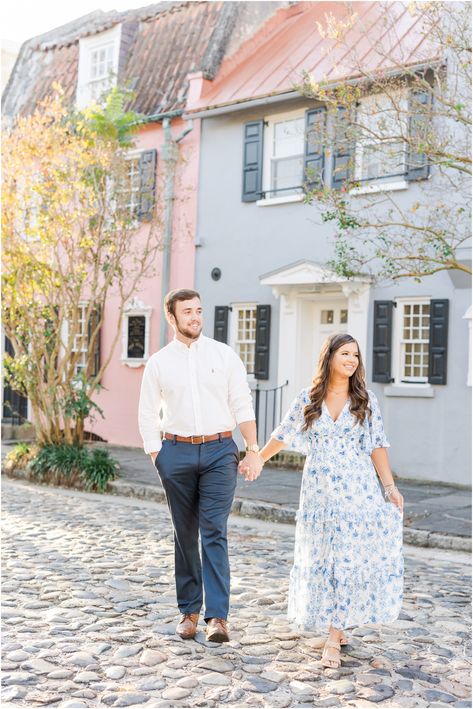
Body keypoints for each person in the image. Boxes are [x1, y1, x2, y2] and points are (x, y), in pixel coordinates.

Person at [243, 333, 404, 668]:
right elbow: (283, 435)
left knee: (346, 560)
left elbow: (378, 445)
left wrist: (389, 488)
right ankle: (338, 625)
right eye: (345, 353)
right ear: (329, 356)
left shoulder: (365, 399)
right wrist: (258, 458)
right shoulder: (310, 398)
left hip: (356, 492)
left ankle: (334, 637)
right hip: (318, 494)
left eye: (356, 356)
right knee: (325, 559)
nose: (351, 360)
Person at [138, 288, 263, 643]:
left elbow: (242, 404)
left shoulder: (223, 356)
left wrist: (252, 449)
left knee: (213, 530)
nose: (195, 317)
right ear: (172, 318)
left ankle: (218, 618)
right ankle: (189, 611)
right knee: (185, 533)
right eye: (187, 312)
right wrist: (157, 455)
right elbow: (147, 413)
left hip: (220, 452)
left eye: (198, 310)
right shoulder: (159, 362)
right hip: (174, 452)